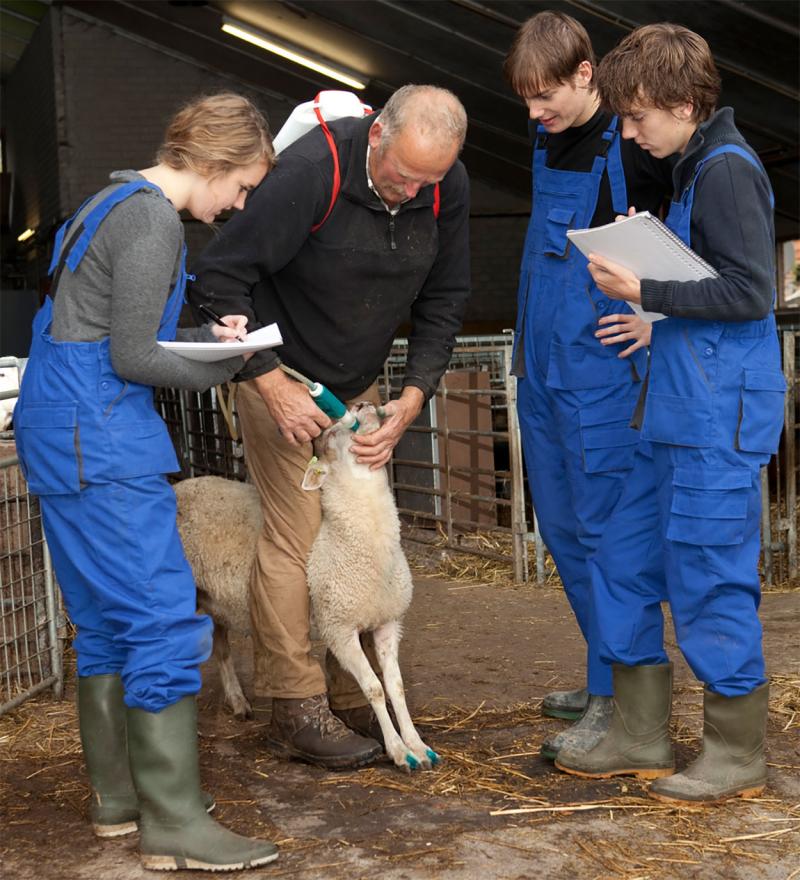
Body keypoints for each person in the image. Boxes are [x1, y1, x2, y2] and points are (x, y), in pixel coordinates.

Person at [14, 92, 280, 871]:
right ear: (216, 162)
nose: (237, 203)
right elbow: (133, 358)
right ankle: (174, 824)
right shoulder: (154, 219)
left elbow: (114, 330)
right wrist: (228, 365)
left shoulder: (107, 203)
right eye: (242, 186)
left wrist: (202, 337)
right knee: (163, 618)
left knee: (104, 620)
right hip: (100, 433)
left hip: (60, 423)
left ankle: (120, 801)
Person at [188, 84, 470, 769]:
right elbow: (220, 277)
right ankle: (295, 702)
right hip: (279, 372)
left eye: (428, 180)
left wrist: (413, 396)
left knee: (354, 522)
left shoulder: (443, 185)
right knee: (296, 529)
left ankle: (354, 693)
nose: (412, 192)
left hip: (360, 377)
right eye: (402, 175)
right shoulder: (311, 173)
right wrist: (268, 380)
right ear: (376, 135)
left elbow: (446, 298)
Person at [555, 24, 784, 806]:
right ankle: (640, 731)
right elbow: (715, 290)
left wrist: (646, 294)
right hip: (674, 412)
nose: (627, 131)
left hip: (715, 422)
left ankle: (734, 750)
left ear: (685, 103)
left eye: (637, 115)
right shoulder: (691, 171)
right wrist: (661, 320)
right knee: (621, 559)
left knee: (709, 578)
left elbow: (753, 292)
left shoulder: (725, 172)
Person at [502, 11, 673, 760]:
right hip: (542, 369)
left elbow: (687, 254)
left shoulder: (634, 151)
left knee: (612, 536)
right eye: (527, 102)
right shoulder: (546, 140)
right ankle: (601, 670)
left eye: (546, 97)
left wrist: (655, 319)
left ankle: (623, 703)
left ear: (586, 74)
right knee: (565, 531)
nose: (535, 114)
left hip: (601, 378)